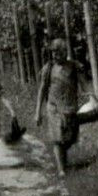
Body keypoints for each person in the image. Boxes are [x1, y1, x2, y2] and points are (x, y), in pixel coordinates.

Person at [33, 38, 81, 176]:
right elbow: (42, 90)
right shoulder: (49, 68)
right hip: (53, 107)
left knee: (70, 138)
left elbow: (82, 84)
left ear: (65, 52)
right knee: (57, 138)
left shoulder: (72, 66)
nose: (55, 56)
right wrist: (38, 112)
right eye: (53, 53)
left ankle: (63, 160)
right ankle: (61, 170)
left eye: (58, 53)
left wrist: (90, 96)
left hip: (70, 107)